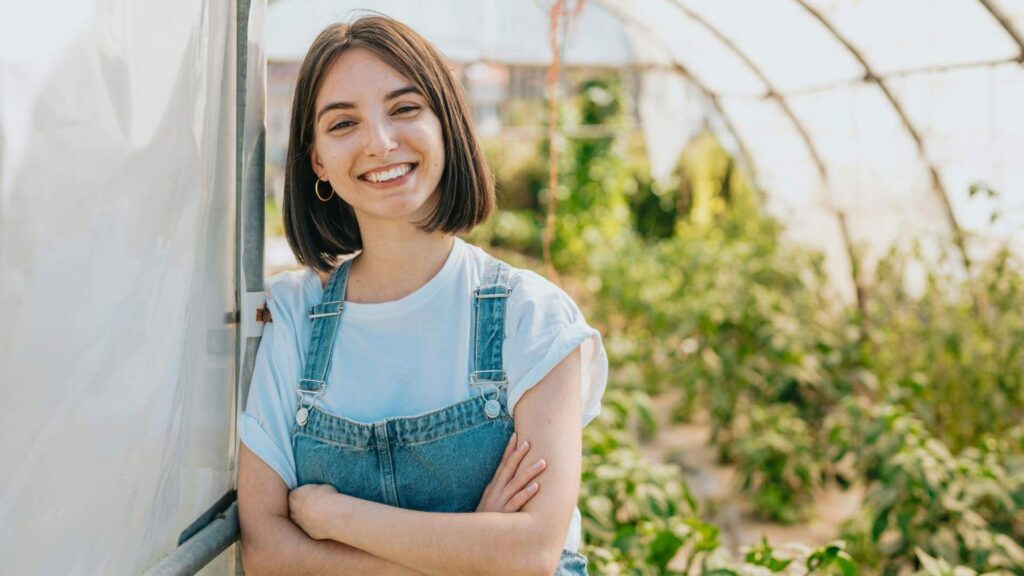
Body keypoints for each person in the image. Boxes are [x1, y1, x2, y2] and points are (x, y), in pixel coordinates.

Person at [237, 14, 608, 576]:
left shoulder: (532, 316)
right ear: (316, 159)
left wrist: (334, 516)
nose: (381, 143)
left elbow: (530, 553)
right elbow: (267, 552)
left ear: (445, 124)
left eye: (405, 109)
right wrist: (470, 553)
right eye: (343, 124)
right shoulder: (294, 314)